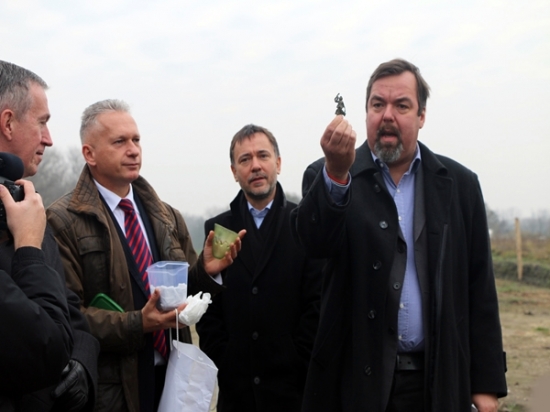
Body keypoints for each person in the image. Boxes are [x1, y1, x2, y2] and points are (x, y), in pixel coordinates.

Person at [291, 59, 507, 412]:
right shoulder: (329, 174)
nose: (387, 115)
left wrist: (486, 385)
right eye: (378, 104)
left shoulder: (459, 185)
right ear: (365, 113)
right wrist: (337, 174)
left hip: (436, 381)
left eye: (402, 106)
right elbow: (314, 244)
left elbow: (479, 289)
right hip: (355, 385)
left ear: (421, 116)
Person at [47, 99, 245, 412]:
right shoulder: (61, 222)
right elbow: (66, 317)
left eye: (136, 140)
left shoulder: (168, 216)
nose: (133, 150)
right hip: (113, 389)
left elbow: (184, 293)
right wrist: (139, 323)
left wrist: (205, 271)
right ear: (89, 154)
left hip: (173, 380)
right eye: (119, 142)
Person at [196, 124, 323, 412]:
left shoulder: (304, 223)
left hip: (293, 392)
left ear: (278, 163)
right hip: (237, 392)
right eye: (245, 159)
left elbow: (317, 303)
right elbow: (208, 306)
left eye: (263, 156)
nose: (255, 166)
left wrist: (297, 358)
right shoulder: (219, 229)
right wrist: (224, 358)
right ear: (234, 171)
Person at [0, 60, 99, 412]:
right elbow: (44, 345)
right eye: (42, 122)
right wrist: (27, 247)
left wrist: (83, 365)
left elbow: (69, 310)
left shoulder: (24, 204)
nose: (49, 139)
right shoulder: (31, 220)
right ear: (8, 123)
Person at [0, 180, 73, 411]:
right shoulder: (56, 217)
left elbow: (70, 303)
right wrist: (29, 245)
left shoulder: (30, 211)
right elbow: (47, 348)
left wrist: (83, 359)